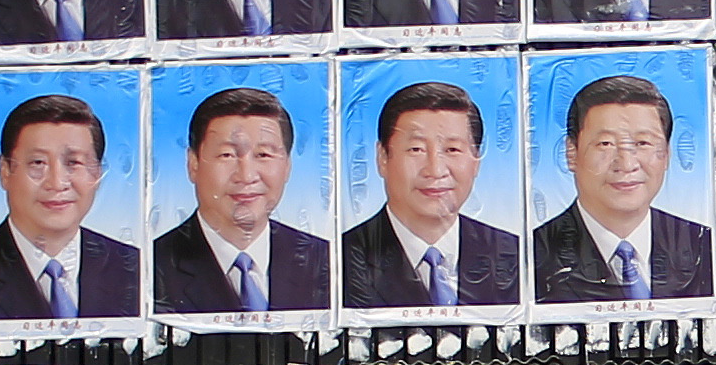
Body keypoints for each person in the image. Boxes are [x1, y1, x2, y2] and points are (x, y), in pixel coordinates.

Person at [338, 73, 520, 312]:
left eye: (452, 149)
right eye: (416, 149)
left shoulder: (515, 253)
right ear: (382, 157)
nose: (435, 170)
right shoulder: (338, 260)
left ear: (476, 161)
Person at [0, 89, 136, 322]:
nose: (57, 183)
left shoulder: (135, 269)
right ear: (5, 171)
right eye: (38, 163)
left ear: (97, 174)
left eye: (74, 162)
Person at [155, 83, 330, 318]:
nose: (246, 176)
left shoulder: (327, 262)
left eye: (263, 155)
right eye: (227, 155)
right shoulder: (149, 266)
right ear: (193, 163)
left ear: (287, 166)